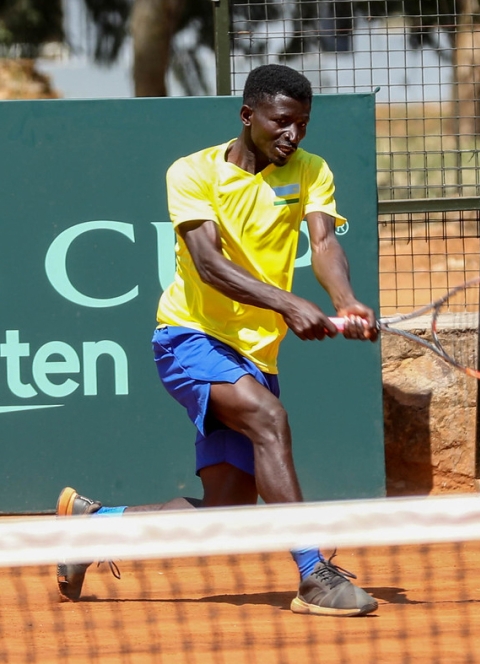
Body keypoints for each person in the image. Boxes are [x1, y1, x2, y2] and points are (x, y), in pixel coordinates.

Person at [56, 64, 381, 617]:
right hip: (189, 336)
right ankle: (314, 575)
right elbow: (207, 264)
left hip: (256, 353)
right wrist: (288, 303)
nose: (293, 135)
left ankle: (93, 527)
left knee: (224, 511)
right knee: (269, 420)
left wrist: (345, 300)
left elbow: (324, 243)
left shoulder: (311, 170)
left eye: (303, 124)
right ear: (248, 115)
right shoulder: (192, 172)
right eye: (282, 122)